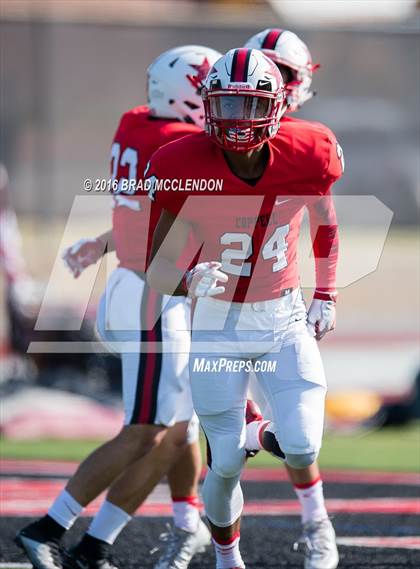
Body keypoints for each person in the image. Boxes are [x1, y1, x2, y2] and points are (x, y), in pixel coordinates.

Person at [15, 45, 222, 569]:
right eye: (211, 91)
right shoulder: (183, 144)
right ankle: (51, 527)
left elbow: (140, 216)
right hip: (155, 292)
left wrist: (100, 242)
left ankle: (162, 527)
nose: (219, 104)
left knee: (179, 429)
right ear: (186, 96)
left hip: (143, 283)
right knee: (145, 430)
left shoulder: (136, 124)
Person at [147, 47, 343, 569]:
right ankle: (226, 558)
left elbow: (326, 223)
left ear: (277, 107)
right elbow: (156, 267)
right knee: (226, 462)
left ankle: (266, 442)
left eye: (252, 105)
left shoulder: (310, 152)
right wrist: (188, 278)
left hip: (282, 319)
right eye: (228, 106)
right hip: (216, 324)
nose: (239, 120)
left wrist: (326, 291)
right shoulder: (179, 164)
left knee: (302, 447)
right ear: (208, 106)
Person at [242, 28, 340, 568]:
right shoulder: (207, 138)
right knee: (181, 426)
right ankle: (196, 534)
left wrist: (325, 290)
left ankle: (315, 522)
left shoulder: (304, 143)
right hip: (201, 298)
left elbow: (325, 221)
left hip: (272, 305)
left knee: (296, 431)